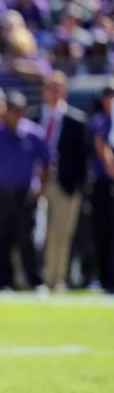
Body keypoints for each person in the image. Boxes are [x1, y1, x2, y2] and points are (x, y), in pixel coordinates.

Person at [0, 91, 50, 291]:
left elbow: (48, 163)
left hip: (24, 195)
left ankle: (35, 282)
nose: (16, 114)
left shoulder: (33, 133)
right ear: (5, 110)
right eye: (12, 109)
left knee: (27, 240)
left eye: (19, 110)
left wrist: (42, 189)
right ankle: (2, 282)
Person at [36, 71, 88, 291]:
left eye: (59, 87)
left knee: (60, 233)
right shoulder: (32, 115)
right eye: (50, 87)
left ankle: (55, 278)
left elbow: (83, 157)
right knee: (29, 230)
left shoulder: (76, 120)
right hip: (36, 180)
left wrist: (77, 185)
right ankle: (26, 277)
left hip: (64, 182)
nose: (54, 92)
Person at [88, 84, 114, 293]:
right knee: (101, 232)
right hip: (103, 184)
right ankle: (103, 277)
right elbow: (101, 146)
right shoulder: (99, 121)